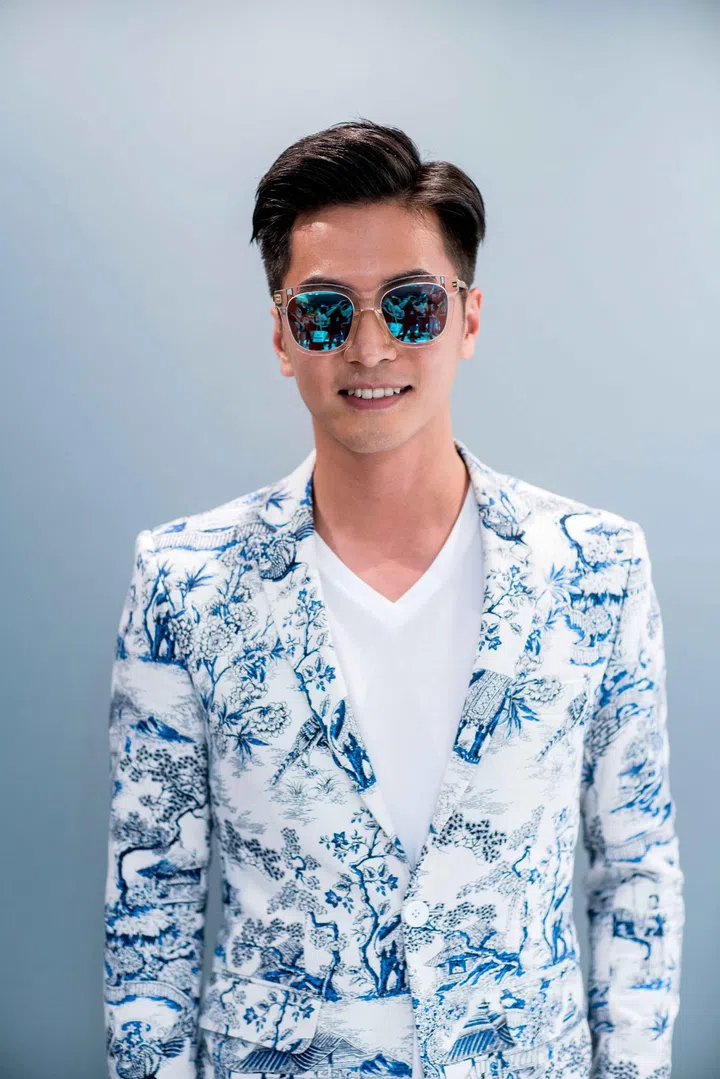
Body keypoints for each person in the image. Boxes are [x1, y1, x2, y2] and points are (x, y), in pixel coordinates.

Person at [103, 119, 684, 1079]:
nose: (370, 346)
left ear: (468, 319)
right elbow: (151, 904)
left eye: (411, 306)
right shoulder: (182, 580)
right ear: (283, 337)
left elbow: (635, 878)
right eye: (324, 313)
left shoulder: (597, 570)